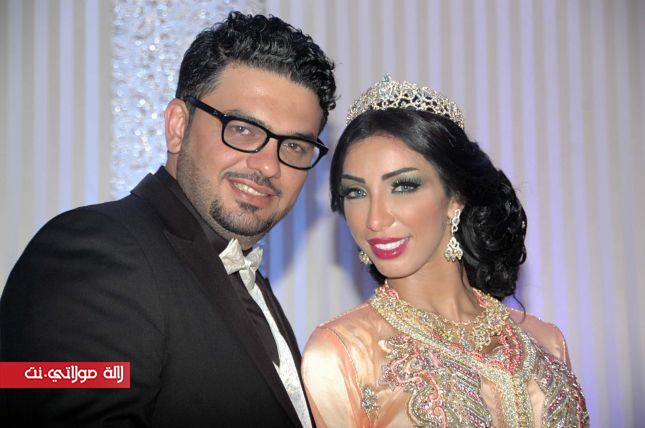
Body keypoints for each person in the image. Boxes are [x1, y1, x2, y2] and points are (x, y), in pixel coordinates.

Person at [1, 12, 335, 427]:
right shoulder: (93, 253)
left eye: (296, 147)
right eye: (243, 130)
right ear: (178, 126)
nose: (269, 165)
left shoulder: (245, 281)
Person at [301, 76, 589, 427]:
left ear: (455, 197)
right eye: (356, 193)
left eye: (403, 186)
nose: (375, 219)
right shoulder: (341, 352)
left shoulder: (547, 341)